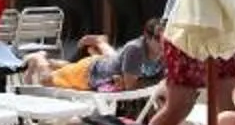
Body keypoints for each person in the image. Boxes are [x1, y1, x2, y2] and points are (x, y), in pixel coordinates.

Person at [24, 17, 160, 91]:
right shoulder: (135, 49)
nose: (164, 43)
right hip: (88, 74)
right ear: (147, 37)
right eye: (158, 39)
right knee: (47, 80)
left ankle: (100, 42)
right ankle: (39, 58)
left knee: (70, 67)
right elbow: (131, 86)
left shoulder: (164, 50)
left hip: (100, 65)